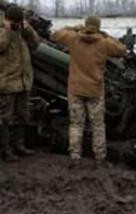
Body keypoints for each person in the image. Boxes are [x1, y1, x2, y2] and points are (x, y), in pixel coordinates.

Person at [52, 15, 126, 165]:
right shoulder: (104, 43)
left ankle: (75, 156)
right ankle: (99, 157)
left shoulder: (73, 39)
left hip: (75, 89)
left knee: (76, 124)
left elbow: (56, 34)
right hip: (95, 90)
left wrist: (73, 28)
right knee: (98, 125)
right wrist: (106, 35)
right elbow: (122, 49)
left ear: (85, 25)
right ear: (98, 26)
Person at [0, 4, 40, 161]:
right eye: (15, 22)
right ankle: (5, 150)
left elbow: (35, 43)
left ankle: (19, 145)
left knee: (22, 116)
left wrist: (27, 28)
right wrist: (8, 30)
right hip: (6, 82)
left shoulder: (21, 30)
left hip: (22, 81)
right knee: (6, 118)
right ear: (8, 19)